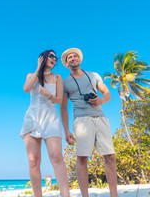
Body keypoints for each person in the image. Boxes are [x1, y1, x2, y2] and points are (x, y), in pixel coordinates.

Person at [60, 48, 118, 197]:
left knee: (110, 156)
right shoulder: (65, 83)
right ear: (67, 63)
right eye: (70, 58)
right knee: (82, 158)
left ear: (79, 59)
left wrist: (101, 100)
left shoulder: (94, 75)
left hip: (100, 117)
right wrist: (66, 130)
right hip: (81, 120)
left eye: (75, 56)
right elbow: (64, 108)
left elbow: (107, 93)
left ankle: (114, 195)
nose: (73, 58)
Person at [20, 50, 70, 197]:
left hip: (50, 117)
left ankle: (65, 195)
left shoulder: (57, 77)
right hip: (32, 117)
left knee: (56, 157)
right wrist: (38, 69)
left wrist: (47, 95)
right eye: (51, 56)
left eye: (56, 57)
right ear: (42, 58)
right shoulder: (31, 75)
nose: (54, 59)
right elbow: (26, 89)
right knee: (33, 161)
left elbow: (60, 100)